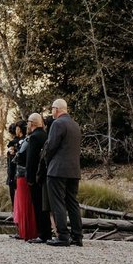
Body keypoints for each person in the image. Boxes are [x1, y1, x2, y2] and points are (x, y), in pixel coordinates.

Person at [45, 98, 83, 247]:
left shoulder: (57, 124)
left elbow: (51, 146)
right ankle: (77, 236)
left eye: (52, 108)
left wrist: (48, 163)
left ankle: (62, 236)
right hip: (74, 170)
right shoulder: (75, 125)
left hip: (58, 169)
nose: (51, 111)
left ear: (57, 109)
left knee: (58, 202)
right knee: (72, 202)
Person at [24, 112, 51, 243]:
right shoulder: (45, 135)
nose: (27, 124)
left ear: (32, 123)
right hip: (45, 175)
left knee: (38, 205)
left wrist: (29, 178)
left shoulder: (34, 137)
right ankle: (46, 232)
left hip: (36, 177)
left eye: (28, 122)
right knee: (44, 205)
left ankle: (43, 234)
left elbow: (31, 160)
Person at [12, 120, 38, 241]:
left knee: (24, 203)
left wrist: (15, 153)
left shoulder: (29, 140)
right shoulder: (33, 138)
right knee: (25, 203)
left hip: (24, 174)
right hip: (27, 174)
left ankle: (26, 231)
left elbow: (20, 156)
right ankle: (27, 231)